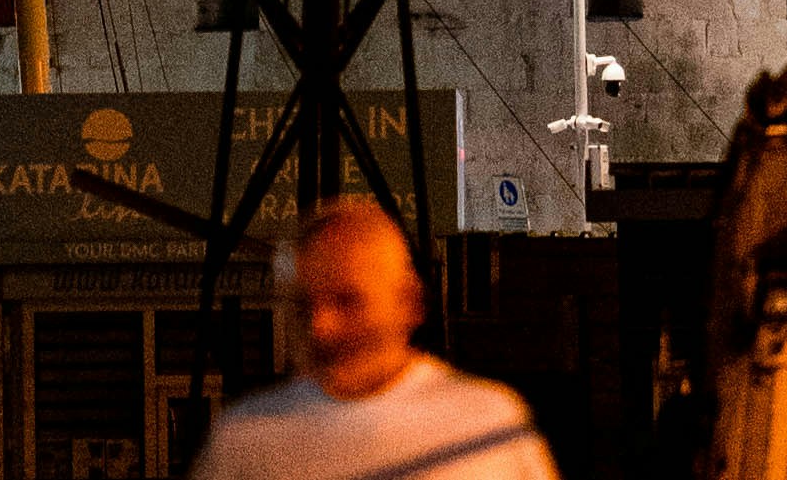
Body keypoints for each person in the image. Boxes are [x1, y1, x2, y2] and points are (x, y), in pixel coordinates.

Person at [196, 197, 557, 477]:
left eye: (347, 301)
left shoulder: (485, 425)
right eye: (303, 305)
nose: (321, 326)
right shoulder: (244, 441)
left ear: (409, 303)